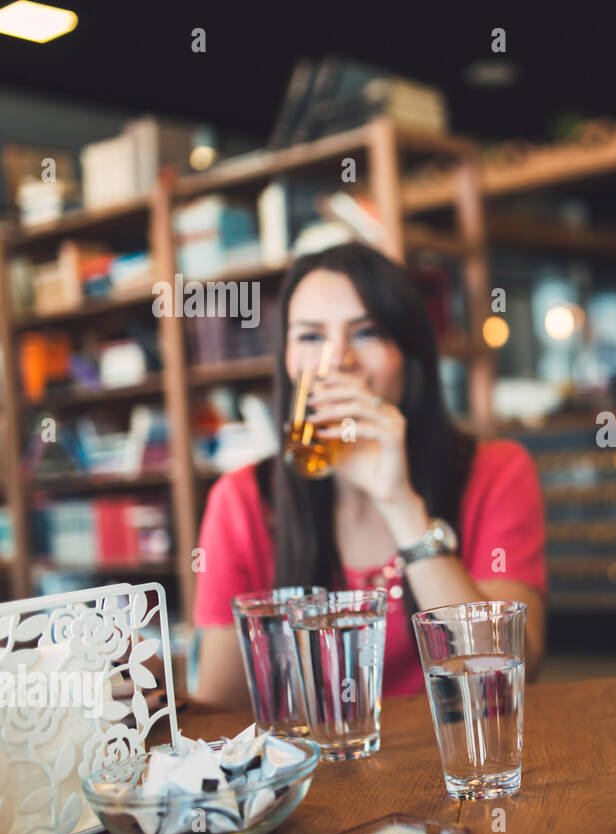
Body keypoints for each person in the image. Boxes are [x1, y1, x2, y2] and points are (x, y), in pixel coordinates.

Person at [193, 241, 547, 703]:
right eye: (310, 337)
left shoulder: (497, 471)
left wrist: (400, 502)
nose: (338, 360)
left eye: (367, 333)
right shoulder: (241, 499)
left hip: (457, 761)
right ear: (285, 361)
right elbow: (220, 703)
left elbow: (506, 671)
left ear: (410, 355)